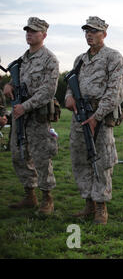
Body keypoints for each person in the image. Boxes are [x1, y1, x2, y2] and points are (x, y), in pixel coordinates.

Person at [65, 16, 123, 225]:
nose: (89, 34)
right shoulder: (80, 60)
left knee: (102, 160)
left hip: (100, 116)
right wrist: (68, 98)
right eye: (87, 31)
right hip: (79, 116)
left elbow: (115, 92)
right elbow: (69, 86)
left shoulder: (113, 57)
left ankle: (101, 206)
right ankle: (88, 203)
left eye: (94, 31)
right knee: (80, 159)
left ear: (104, 34)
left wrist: (96, 117)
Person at [3, 17, 59, 214]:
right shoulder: (22, 60)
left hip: (37, 117)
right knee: (19, 155)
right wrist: (8, 85)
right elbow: (15, 82)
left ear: (43, 35)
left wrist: (25, 107)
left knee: (41, 157)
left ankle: (47, 198)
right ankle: (30, 195)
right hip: (20, 118)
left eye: (34, 31)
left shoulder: (49, 59)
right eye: (27, 30)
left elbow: (48, 91)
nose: (29, 34)